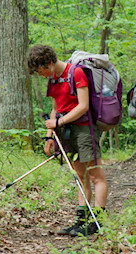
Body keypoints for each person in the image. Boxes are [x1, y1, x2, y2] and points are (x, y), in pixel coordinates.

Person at [27, 44, 108, 236]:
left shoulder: (77, 73)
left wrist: (59, 122)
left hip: (85, 130)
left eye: (40, 71)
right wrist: (49, 137)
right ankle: (82, 221)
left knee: (96, 176)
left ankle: (98, 220)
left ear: (49, 63)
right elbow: (55, 108)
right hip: (66, 133)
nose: (41, 75)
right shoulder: (53, 80)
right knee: (80, 177)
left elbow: (83, 106)